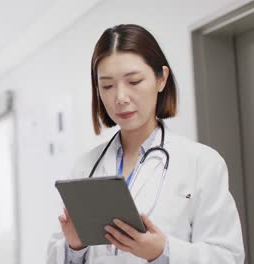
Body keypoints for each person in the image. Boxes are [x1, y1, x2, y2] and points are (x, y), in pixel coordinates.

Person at [47, 24, 245, 263]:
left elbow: (228, 257)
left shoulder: (202, 163)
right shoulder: (85, 167)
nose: (120, 97)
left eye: (134, 81)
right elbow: (59, 254)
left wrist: (163, 252)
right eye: (107, 86)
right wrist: (75, 247)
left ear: (161, 79)